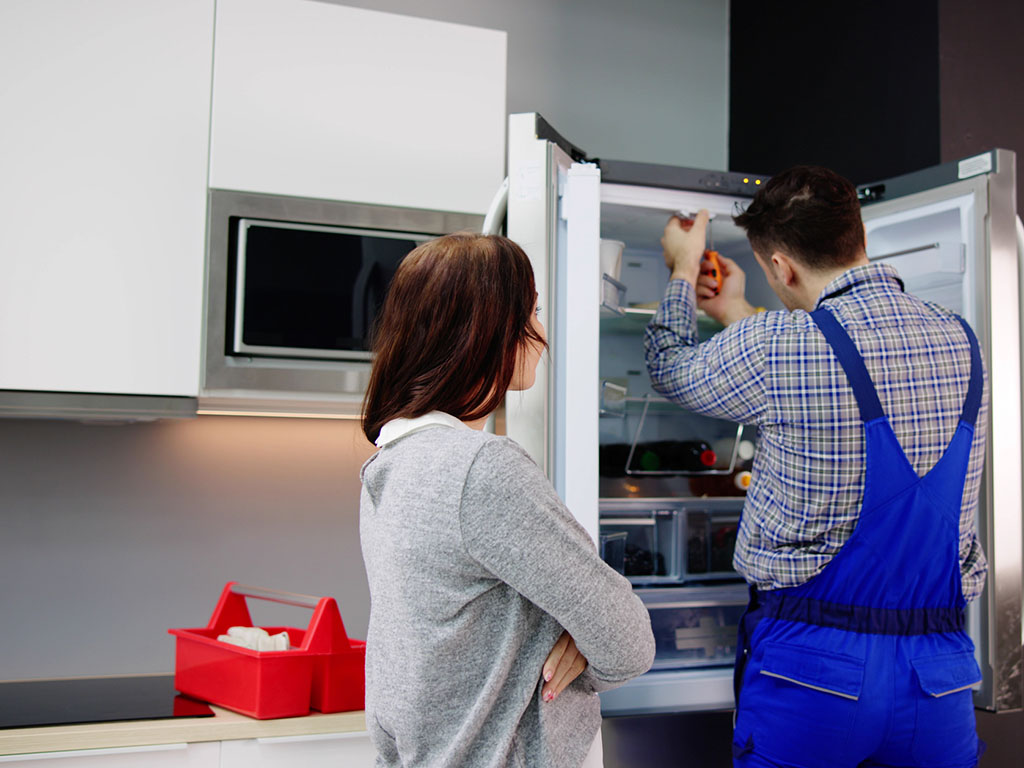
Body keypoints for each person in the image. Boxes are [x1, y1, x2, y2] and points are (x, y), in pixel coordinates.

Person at [645, 166, 988, 768]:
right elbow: (838, 371)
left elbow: (669, 364)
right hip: (938, 680)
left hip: (813, 675)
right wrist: (736, 310)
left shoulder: (778, 344)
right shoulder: (963, 339)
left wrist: (681, 265)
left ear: (781, 267)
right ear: (856, 235)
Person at [360, 232, 655, 768]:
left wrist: (572, 636)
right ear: (485, 330)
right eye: (531, 312)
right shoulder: (480, 469)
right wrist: (582, 645)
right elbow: (629, 641)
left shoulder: (390, 463)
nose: (540, 333)